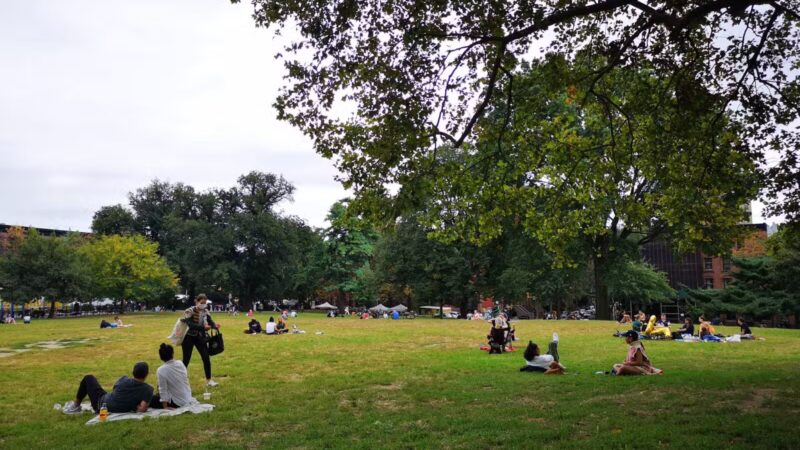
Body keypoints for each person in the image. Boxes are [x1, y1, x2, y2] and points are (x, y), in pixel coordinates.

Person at [63, 362, 154, 414]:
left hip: (101, 404)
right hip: (114, 407)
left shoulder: (124, 379)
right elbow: (142, 409)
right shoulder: (148, 389)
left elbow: (115, 389)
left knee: (88, 378)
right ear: (146, 374)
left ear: (133, 372)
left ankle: (76, 406)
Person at [182, 294, 219, 387]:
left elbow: (210, 321)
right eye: (202, 302)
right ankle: (181, 380)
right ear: (196, 301)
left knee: (206, 357)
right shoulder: (189, 311)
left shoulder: (206, 311)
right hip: (188, 337)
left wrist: (215, 325)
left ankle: (209, 380)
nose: (203, 304)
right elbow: (191, 325)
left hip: (200, 337)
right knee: (186, 359)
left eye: (205, 303)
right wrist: (203, 327)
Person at [151, 344, 196, 409]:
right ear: (173, 353)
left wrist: (165, 407)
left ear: (161, 357)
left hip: (177, 402)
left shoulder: (161, 370)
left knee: (151, 399)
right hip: (187, 397)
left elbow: (162, 390)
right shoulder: (180, 363)